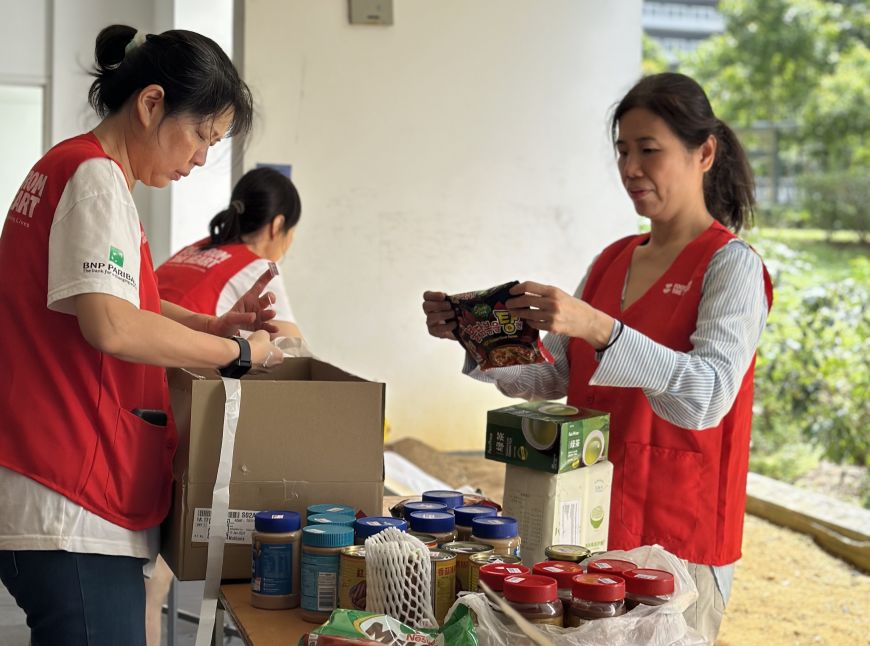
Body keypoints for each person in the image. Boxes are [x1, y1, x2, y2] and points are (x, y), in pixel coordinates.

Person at [422, 72, 772, 643]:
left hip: (679, 544)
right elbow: (555, 374)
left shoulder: (732, 267)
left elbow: (707, 397)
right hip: (589, 526)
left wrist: (604, 330)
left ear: (704, 153)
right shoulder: (613, 260)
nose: (631, 168)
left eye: (649, 151)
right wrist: (475, 338)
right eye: (623, 151)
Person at [0, 25, 284, 646]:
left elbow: (116, 302)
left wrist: (210, 324)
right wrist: (235, 353)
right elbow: (112, 325)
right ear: (151, 104)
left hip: (52, 478)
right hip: (67, 492)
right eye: (203, 136)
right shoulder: (95, 177)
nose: (203, 158)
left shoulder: (76, 169)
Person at [146, 167, 305, 644]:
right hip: (177, 414)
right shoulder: (256, 266)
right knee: (151, 584)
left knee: (146, 568)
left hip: (137, 401)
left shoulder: (191, 251)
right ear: (277, 226)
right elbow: (295, 350)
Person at [156, 166, 304, 340]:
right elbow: (294, 348)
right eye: (291, 231)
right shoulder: (261, 268)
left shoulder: (195, 248)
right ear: (277, 225)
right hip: (172, 360)